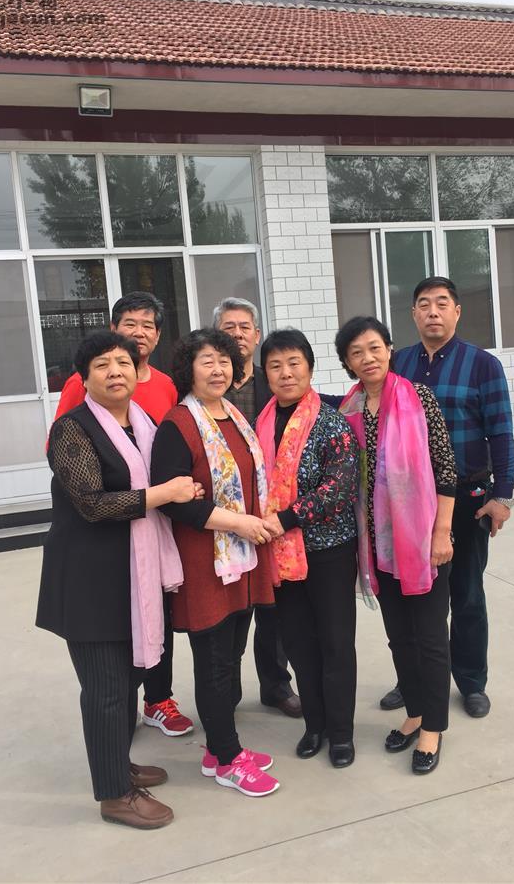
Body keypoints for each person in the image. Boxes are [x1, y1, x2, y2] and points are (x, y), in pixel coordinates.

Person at [36, 331, 203, 828]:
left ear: (137, 371)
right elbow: (91, 503)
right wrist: (164, 493)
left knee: (127, 679)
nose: (115, 371)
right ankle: (114, 796)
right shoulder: (72, 430)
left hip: (134, 574)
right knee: (106, 688)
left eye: (123, 363)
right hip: (90, 581)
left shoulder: (144, 423)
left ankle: (117, 764)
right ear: (84, 378)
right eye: (102, 364)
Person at [53, 292, 192, 738]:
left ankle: (157, 700)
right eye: (130, 323)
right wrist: (160, 492)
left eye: (148, 325)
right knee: (113, 656)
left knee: (156, 618)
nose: (139, 332)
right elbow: (75, 468)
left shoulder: (164, 386)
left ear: (157, 336)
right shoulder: (82, 393)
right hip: (105, 544)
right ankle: (119, 729)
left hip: (154, 534)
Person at [150, 328, 280, 798]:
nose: (218, 369)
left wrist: (253, 522)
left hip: (241, 559)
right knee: (215, 664)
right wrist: (238, 522)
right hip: (205, 562)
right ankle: (228, 759)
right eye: (207, 361)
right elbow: (173, 501)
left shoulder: (235, 418)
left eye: (224, 361)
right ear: (188, 369)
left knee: (231, 656)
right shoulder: (179, 424)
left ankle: (217, 751)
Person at [381, 277, 514, 719]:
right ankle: (413, 680)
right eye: (424, 304)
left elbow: (501, 431)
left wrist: (503, 496)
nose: (433, 312)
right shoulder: (398, 363)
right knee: (413, 595)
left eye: (442, 304)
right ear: (413, 314)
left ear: (457, 312)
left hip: (467, 496)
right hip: (408, 503)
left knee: (467, 593)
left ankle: (471, 681)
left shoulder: (482, 365)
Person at [336, 316, 456, 774]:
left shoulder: (417, 397)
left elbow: (445, 467)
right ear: (347, 362)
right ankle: (416, 712)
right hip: (378, 548)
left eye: (374, 347)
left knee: (430, 638)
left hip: (421, 540)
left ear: (389, 348)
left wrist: (441, 532)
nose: (367, 358)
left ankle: (433, 728)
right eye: (356, 352)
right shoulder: (349, 408)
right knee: (400, 638)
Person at [255, 329, 360, 769]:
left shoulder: (331, 422)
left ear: (310, 368)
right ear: (265, 374)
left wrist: (286, 518)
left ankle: (341, 733)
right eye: (275, 365)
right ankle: (314, 725)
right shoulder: (259, 424)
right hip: (280, 556)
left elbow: (340, 486)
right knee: (299, 644)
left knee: (335, 643)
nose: (286, 373)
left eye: (294, 363)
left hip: (329, 552)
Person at [214, 297, 302, 720]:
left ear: (256, 334)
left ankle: (275, 686)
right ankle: (225, 694)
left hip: (272, 512)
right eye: (228, 327)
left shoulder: (273, 382)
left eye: (244, 327)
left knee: (273, 609)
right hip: (223, 514)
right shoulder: (207, 386)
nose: (237, 334)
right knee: (230, 611)